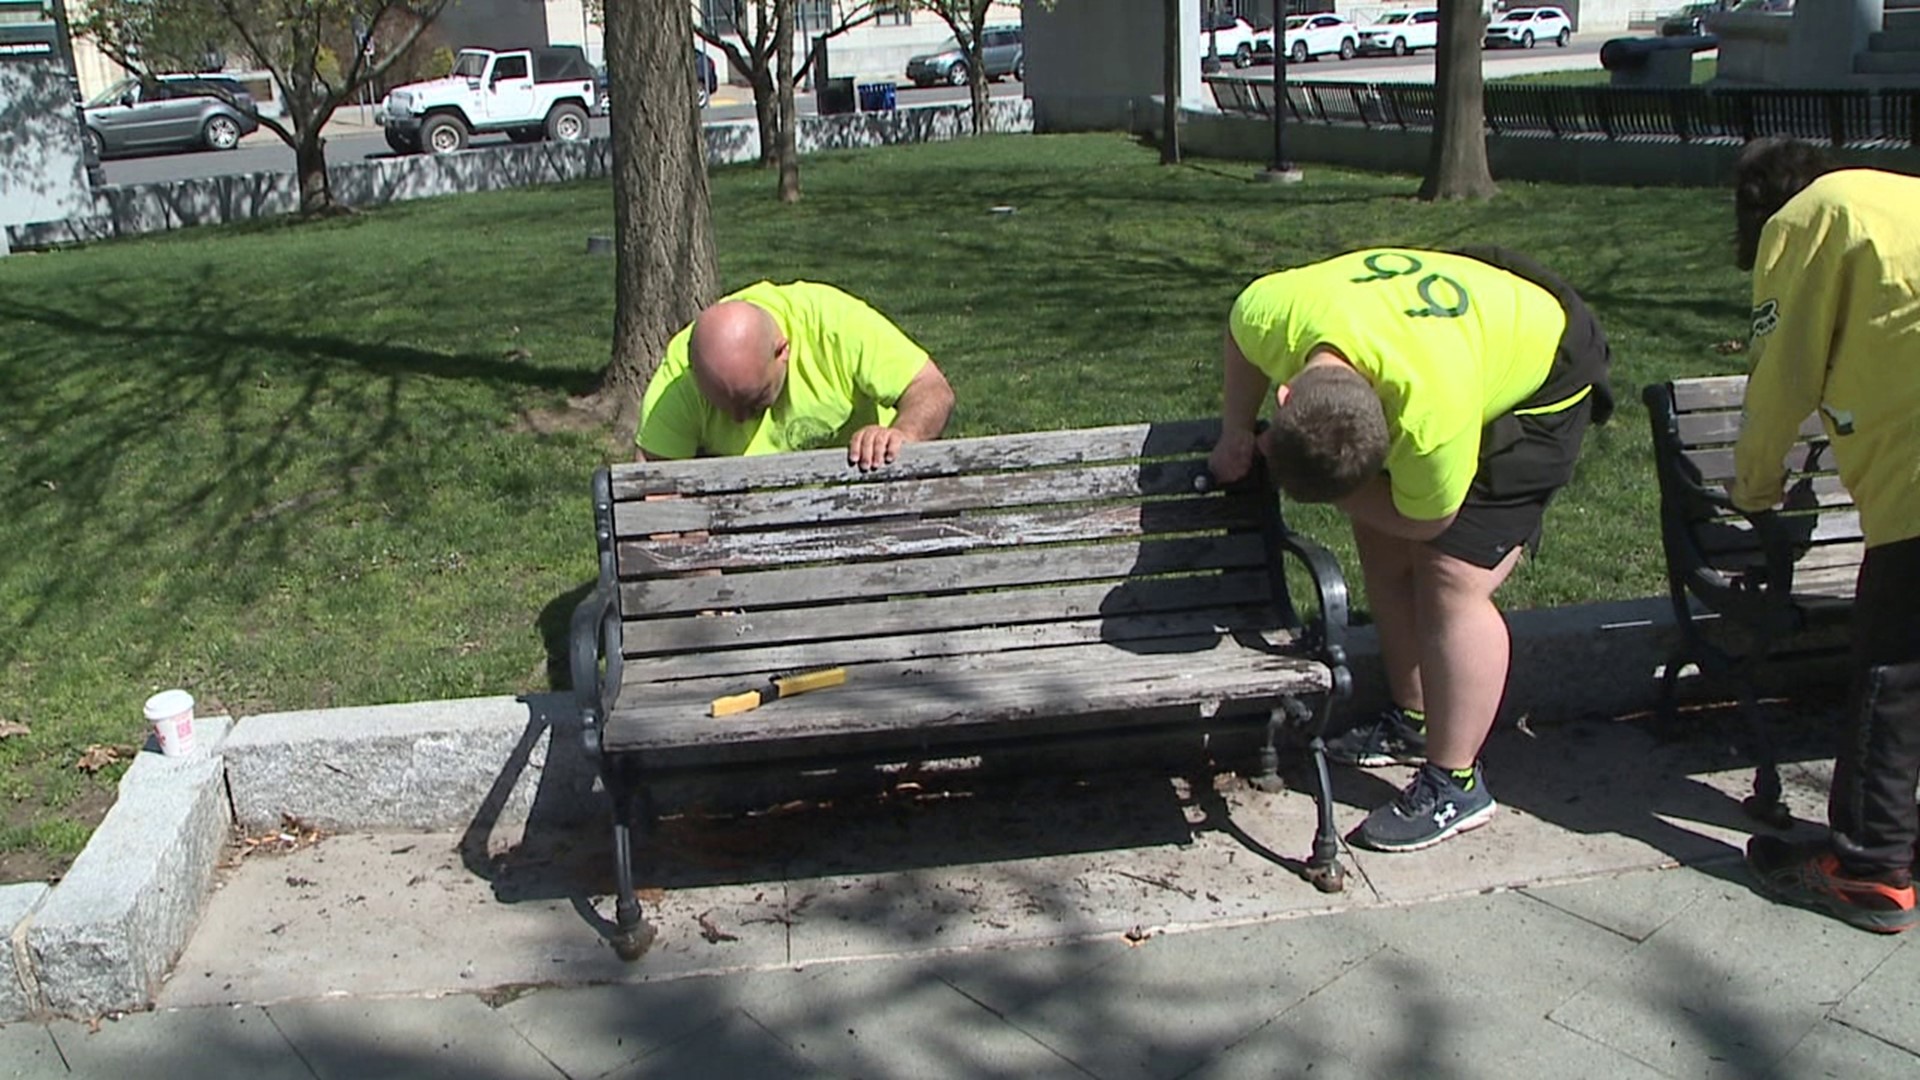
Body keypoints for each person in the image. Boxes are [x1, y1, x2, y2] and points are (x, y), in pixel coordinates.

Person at [1208, 246, 1612, 852]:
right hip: (1461, 312)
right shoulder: (1273, 311)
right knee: (1380, 532)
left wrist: (1340, 499)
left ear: (1392, 428)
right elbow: (1240, 337)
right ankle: (1415, 719)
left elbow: (1430, 522)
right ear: (1287, 394)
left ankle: (1458, 784)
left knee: (1453, 576)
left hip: (1546, 365)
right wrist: (1236, 427)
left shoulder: (1430, 419)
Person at [1727, 138, 1920, 934]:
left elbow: (1783, 373)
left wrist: (1757, 490)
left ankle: (1870, 868)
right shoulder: (1904, 199)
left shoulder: (1813, 217)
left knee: (1894, 667)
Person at [637, 280, 955, 468]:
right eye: (720, 404)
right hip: (746, 529)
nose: (737, 418)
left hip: (866, 494)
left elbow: (930, 388)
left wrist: (904, 434)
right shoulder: (681, 375)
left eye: (753, 400)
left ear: (783, 350)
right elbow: (654, 491)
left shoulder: (833, 322)